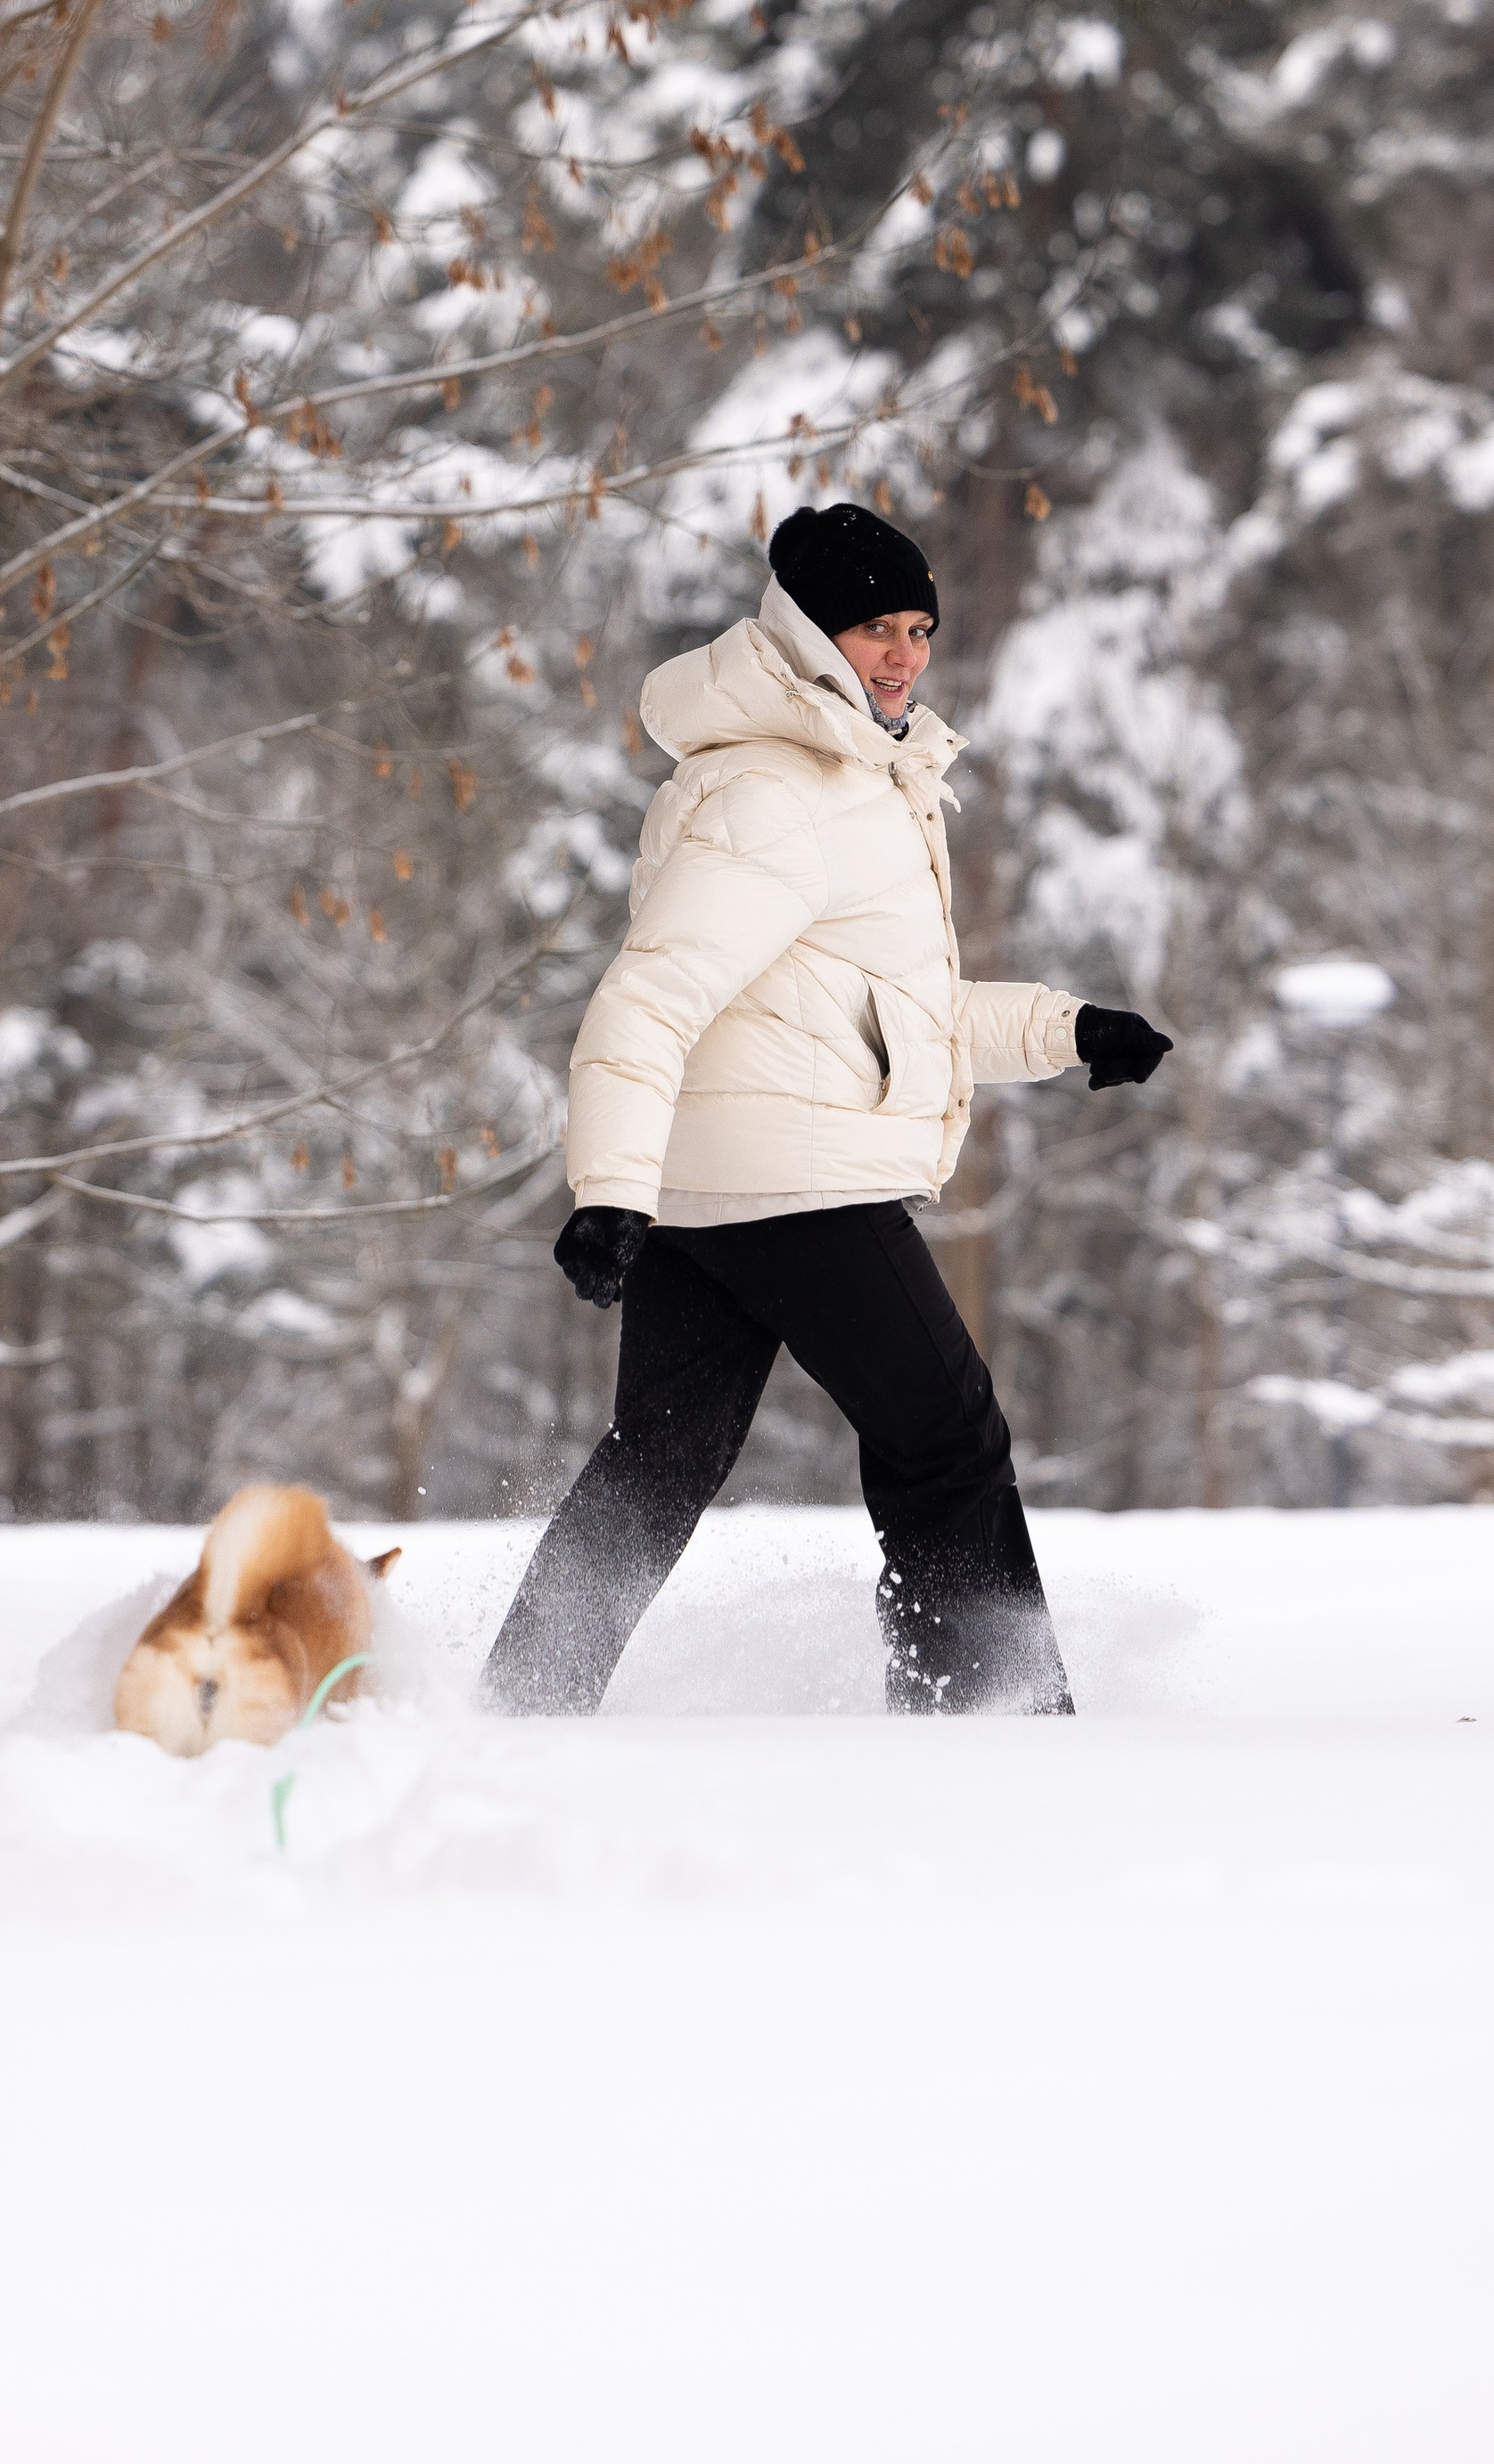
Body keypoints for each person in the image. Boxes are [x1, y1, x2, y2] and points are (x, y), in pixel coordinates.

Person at [480, 499, 1173, 1716]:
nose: (904, 654)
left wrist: (1068, 1029)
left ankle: (523, 1701)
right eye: (873, 628)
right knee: (945, 1436)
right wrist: (605, 1195)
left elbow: (877, 1010)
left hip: (715, 1183)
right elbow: (648, 995)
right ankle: (990, 1714)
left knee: (663, 1459)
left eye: (919, 627)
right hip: (794, 1183)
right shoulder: (779, 792)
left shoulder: (840, 775)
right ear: (803, 632)